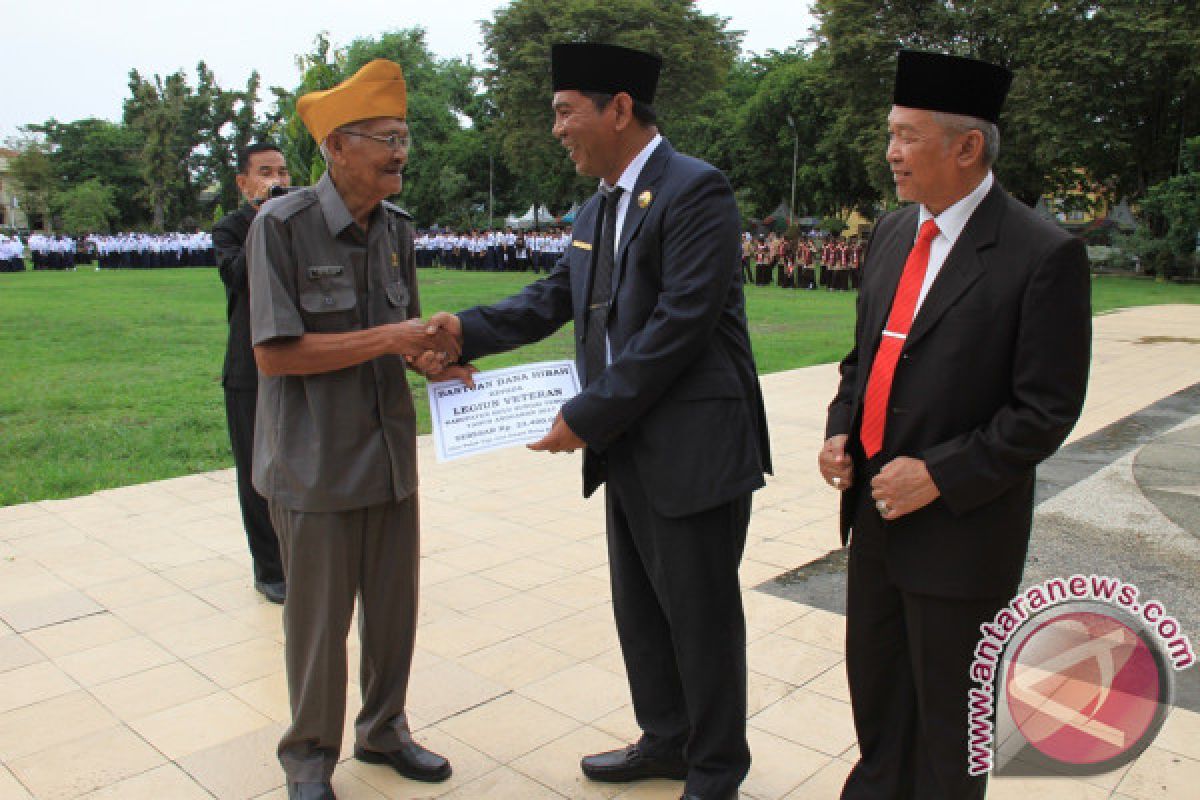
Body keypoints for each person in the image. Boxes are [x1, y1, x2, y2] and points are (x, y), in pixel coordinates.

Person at [424, 42, 771, 800]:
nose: (556, 129)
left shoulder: (696, 191)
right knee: (642, 604)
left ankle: (715, 771)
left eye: (563, 111)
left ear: (619, 109)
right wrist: (462, 332)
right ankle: (666, 739)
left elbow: (681, 324)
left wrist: (586, 412)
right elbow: (553, 296)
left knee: (700, 615)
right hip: (627, 445)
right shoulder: (596, 207)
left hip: (693, 447)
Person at [817, 50, 1091, 800]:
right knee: (877, 702)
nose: (890, 152)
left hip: (962, 537)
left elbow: (1046, 411)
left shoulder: (1043, 254)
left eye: (906, 135)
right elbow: (863, 357)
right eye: (891, 134)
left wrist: (939, 473)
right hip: (876, 519)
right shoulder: (892, 234)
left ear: (966, 146)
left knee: (948, 731)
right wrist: (844, 427)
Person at [246, 58, 458, 800]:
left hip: (388, 458)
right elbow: (274, 356)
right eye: (384, 138)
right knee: (317, 628)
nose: (400, 152)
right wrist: (392, 338)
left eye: (405, 137)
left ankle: (383, 730)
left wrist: (432, 363)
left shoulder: (396, 229)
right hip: (314, 465)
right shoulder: (282, 225)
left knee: (394, 612)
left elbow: (400, 339)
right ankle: (308, 759)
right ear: (337, 146)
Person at [213, 141, 290, 604]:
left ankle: (304, 556)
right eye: (265, 171)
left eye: (281, 170)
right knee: (255, 470)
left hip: (298, 358)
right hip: (248, 365)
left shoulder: (299, 219)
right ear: (244, 183)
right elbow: (240, 275)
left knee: (299, 462)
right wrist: (265, 219)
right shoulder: (230, 228)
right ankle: (270, 567)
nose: (276, 179)